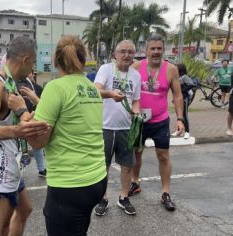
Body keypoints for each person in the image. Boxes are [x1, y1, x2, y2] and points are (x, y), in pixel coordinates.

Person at [24, 35, 107, 235]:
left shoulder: (55, 87)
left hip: (69, 185)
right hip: (97, 179)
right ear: (83, 59)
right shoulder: (92, 89)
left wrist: (22, 115)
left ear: (55, 61)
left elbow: (37, 141)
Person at [0, 36, 49, 235]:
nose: (33, 69)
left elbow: (13, 118)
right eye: (33, 63)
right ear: (26, 60)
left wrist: (26, 113)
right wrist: (16, 131)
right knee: (0, 228)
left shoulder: (9, 83)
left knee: (25, 210)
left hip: (13, 166)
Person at [130, 34, 184, 211]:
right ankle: (135, 182)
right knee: (137, 153)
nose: (155, 52)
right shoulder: (136, 67)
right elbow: (127, 90)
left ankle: (165, 192)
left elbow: (177, 96)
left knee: (163, 155)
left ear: (163, 50)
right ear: (146, 50)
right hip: (139, 121)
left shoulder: (171, 69)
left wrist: (180, 119)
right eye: (152, 48)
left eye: (159, 48)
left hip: (160, 121)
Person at [93, 40, 141, 216]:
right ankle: (102, 198)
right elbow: (95, 90)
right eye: (123, 51)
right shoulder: (106, 69)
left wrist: (137, 113)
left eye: (130, 52)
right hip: (105, 127)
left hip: (127, 128)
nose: (127, 55)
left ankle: (123, 197)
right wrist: (110, 94)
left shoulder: (136, 75)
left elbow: (135, 100)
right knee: (102, 165)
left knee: (127, 165)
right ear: (115, 53)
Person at [16, 69, 47, 177]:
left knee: (37, 146)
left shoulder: (37, 87)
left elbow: (44, 101)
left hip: (35, 118)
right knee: (19, 147)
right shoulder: (16, 84)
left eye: (30, 72)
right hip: (20, 119)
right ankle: (19, 171)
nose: (28, 74)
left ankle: (41, 168)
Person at [172, 64, 195, 139]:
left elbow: (191, 84)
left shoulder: (185, 77)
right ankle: (179, 130)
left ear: (180, 69)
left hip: (185, 98)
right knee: (179, 115)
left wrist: (181, 91)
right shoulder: (176, 77)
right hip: (178, 99)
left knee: (184, 115)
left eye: (176, 68)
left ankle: (187, 132)